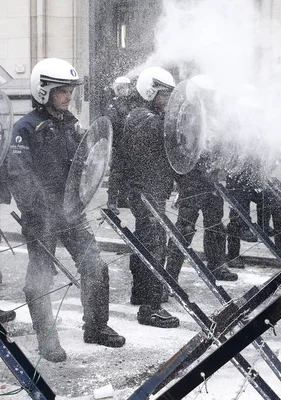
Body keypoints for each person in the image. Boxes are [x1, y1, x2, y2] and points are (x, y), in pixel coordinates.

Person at [4, 58, 126, 362]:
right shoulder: (25, 128)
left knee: (95, 266)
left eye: (71, 90)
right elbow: (19, 175)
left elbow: (85, 161)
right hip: (42, 216)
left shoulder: (71, 122)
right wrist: (35, 213)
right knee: (41, 279)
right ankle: (47, 339)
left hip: (72, 211)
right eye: (62, 91)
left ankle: (96, 327)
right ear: (43, 91)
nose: (68, 96)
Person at [165, 75, 238, 282]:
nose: (209, 98)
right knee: (185, 227)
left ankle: (217, 266)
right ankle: (171, 274)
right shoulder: (186, 114)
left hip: (212, 175)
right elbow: (180, 145)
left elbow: (221, 140)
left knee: (215, 224)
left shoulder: (215, 114)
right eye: (206, 94)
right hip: (192, 177)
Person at [122, 66, 179, 328]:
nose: (168, 101)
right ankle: (151, 307)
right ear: (150, 92)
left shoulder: (142, 115)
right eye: (165, 95)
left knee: (144, 241)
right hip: (145, 191)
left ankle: (139, 293)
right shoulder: (144, 118)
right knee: (155, 243)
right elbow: (166, 136)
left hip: (147, 190)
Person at [226, 94, 281, 269]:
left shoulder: (257, 130)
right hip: (237, 181)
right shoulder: (231, 131)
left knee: (278, 203)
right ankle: (233, 255)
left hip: (257, 179)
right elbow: (229, 158)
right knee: (238, 216)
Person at [105, 76, 134, 214]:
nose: (125, 90)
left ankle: (123, 199)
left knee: (128, 172)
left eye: (127, 87)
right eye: (122, 87)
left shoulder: (130, 103)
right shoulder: (113, 104)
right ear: (117, 88)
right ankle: (111, 201)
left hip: (129, 144)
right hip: (118, 144)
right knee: (116, 173)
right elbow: (114, 122)